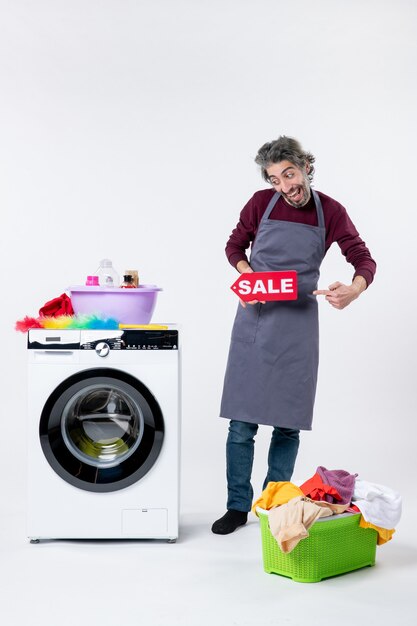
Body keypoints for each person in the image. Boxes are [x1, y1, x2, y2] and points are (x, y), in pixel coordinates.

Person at [212, 136, 376, 535]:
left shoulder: (331, 211)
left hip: (299, 325)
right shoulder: (258, 204)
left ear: (305, 166)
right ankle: (237, 506)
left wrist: (354, 289)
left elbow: (362, 257)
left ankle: (273, 505)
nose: (285, 186)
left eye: (289, 173)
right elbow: (235, 246)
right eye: (275, 179)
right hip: (256, 317)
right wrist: (250, 278)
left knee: (287, 424)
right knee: (242, 423)